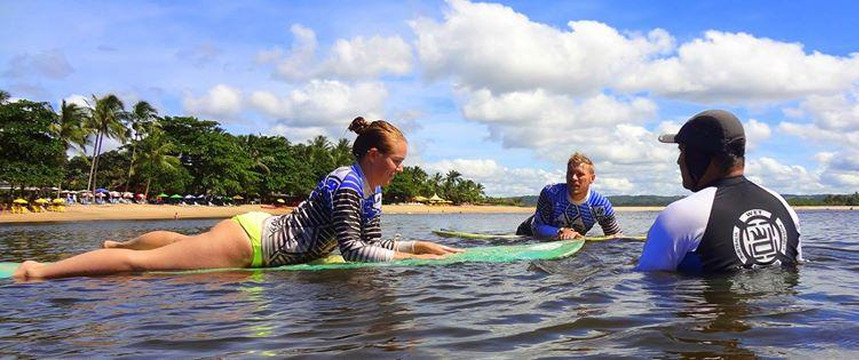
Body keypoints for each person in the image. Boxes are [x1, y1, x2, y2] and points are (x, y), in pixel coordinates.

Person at [14, 117, 463, 280]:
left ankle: (118, 244)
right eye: (397, 161)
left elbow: (371, 242)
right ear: (372, 155)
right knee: (144, 269)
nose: (400, 169)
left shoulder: (373, 192)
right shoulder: (347, 184)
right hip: (252, 243)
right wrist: (412, 261)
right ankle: (40, 270)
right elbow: (352, 251)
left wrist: (413, 246)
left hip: (260, 238)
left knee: (175, 245)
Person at [635, 109, 801, 273]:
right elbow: (795, 267)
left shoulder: (681, 214)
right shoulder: (783, 206)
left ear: (698, 157)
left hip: (711, 298)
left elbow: (650, 281)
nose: (679, 161)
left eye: (682, 151)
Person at [515, 152, 622, 240]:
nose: (574, 178)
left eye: (580, 174)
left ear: (592, 178)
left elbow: (615, 236)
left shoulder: (601, 205)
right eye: (570, 173)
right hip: (527, 232)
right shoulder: (551, 193)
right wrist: (560, 231)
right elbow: (537, 227)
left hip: (568, 239)